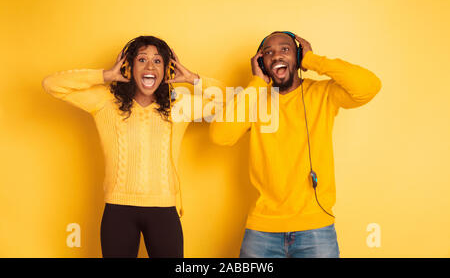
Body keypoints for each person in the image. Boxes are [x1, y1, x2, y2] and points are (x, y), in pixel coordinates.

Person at [42, 35, 224, 258]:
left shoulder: (179, 105)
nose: (150, 66)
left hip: (164, 210)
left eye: (158, 61)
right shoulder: (105, 102)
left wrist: (193, 79)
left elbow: (230, 102)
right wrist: (106, 75)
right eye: (142, 60)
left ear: (167, 68)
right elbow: (51, 85)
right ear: (129, 66)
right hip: (118, 211)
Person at [209, 31, 382, 258]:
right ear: (261, 63)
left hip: (316, 228)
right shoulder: (255, 99)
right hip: (262, 230)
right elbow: (221, 136)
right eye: (268, 53)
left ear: (298, 57)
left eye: (285, 49)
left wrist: (313, 60)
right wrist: (257, 83)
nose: (276, 56)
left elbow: (369, 86)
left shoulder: (323, 94)